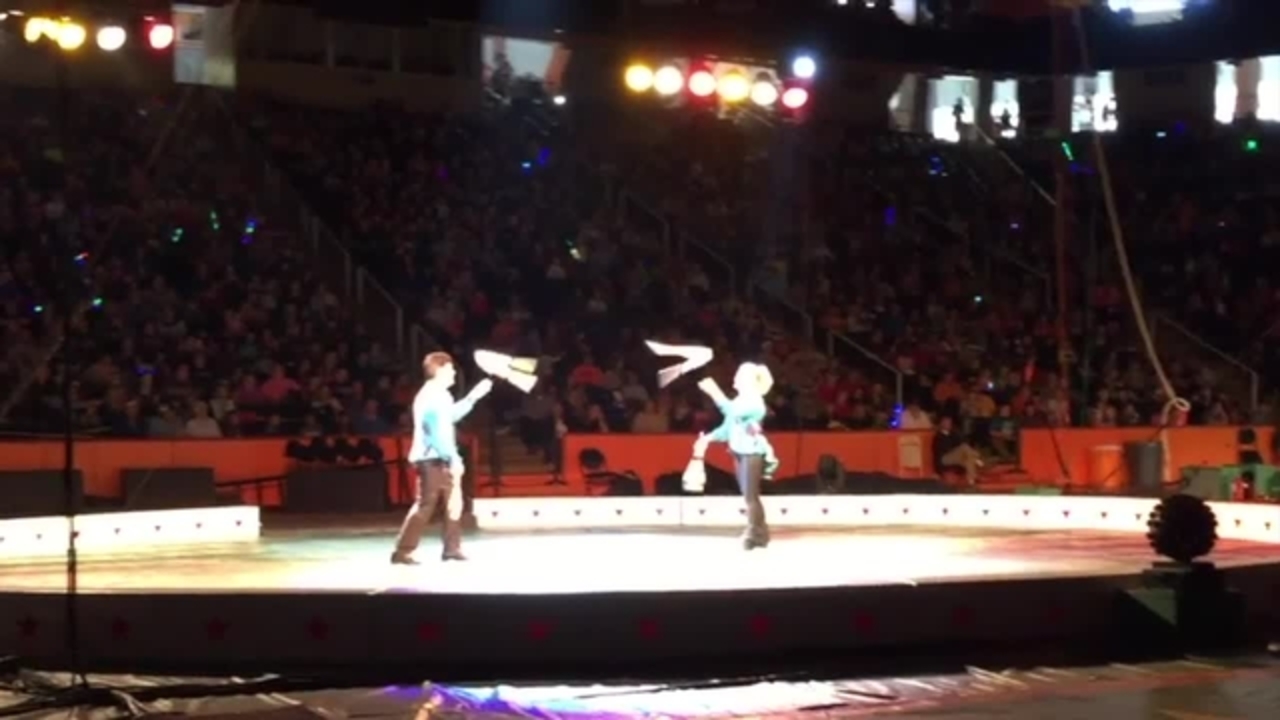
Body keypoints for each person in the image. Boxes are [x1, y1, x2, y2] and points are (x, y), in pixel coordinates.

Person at [391, 352, 493, 565]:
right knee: (425, 505)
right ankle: (402, 551)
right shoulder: (431, 396)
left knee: (454, 503)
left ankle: (452, 548)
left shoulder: (442, 395)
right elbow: (434, 431)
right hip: (432, 459)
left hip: (441, 457)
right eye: (450, 369)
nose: (454, 372)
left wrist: (473, 397)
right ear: (439, 370)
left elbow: (451, 416)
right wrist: (453, 458)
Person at [690, 362, 779, 550]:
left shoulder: (755, 402)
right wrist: (708, 438)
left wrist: (715, 392)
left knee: (750, 496)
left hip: (752, 452)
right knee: (749, 496)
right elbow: (727, 428)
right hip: (740, 451)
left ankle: (754, 533)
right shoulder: (739, 401)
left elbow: (731, 411)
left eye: (739, 376)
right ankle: (760, 533)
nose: (735, 379)